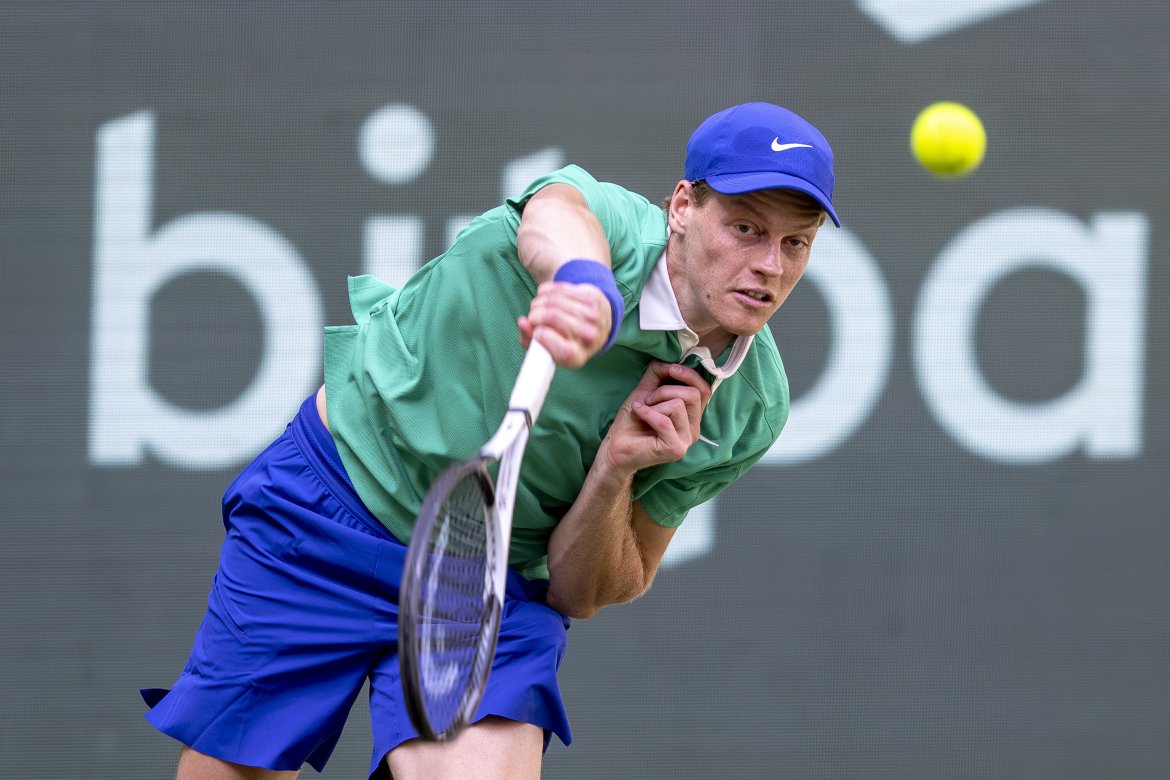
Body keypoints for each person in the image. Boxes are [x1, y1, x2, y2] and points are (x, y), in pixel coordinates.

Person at [142, 101, 840, 779]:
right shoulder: (616, 229)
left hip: (484, 581)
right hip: (329, 508)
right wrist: (583, 284)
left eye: (794, 243)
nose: (770, 267)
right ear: (683, 207)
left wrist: (616, 471)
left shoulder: (748, 405)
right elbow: (556, 215)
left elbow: (581, 592)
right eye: (746, 228)